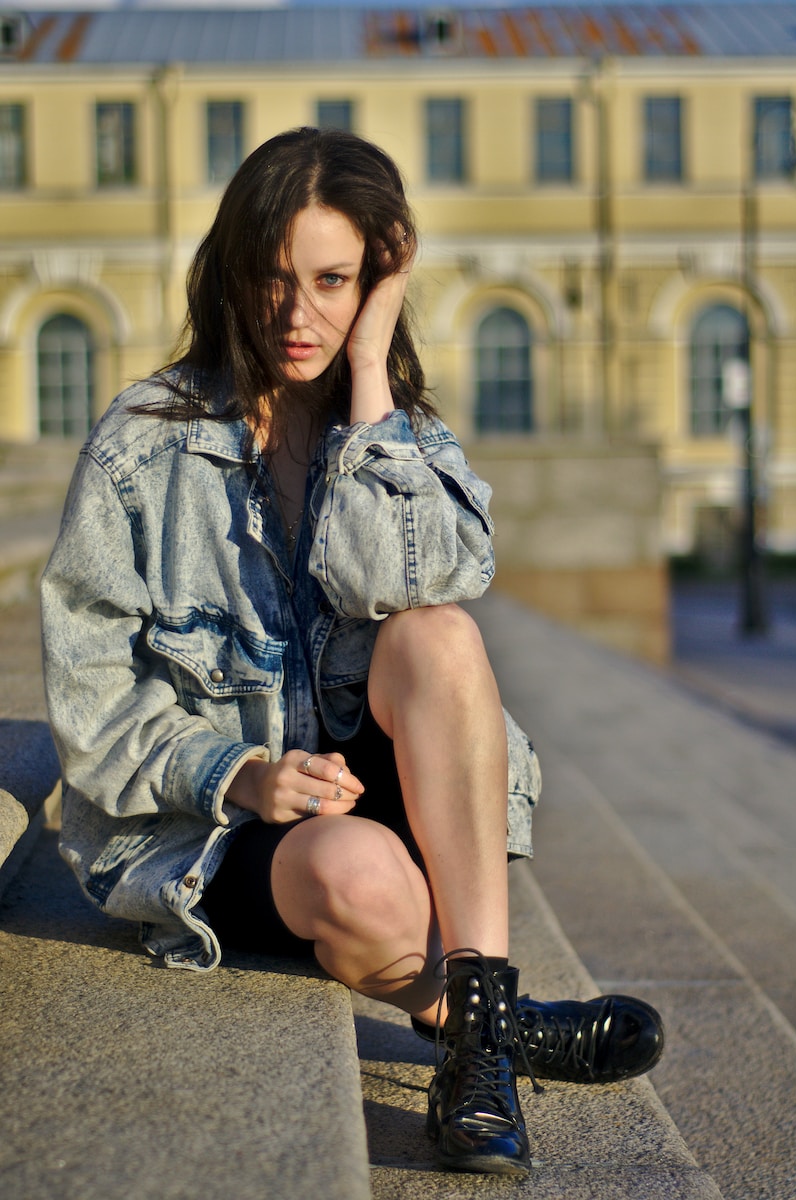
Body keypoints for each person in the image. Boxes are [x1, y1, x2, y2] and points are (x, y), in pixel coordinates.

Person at [41, 127, 663, 1177]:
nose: (298, 315)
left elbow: (419, 584)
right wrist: (235, 771)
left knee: (438, 633)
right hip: (211, 834)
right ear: (231, 273)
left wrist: (369, 369)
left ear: (376, 276)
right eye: (273, 279)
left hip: (364, 783)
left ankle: (471, 1048)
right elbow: (92, 693)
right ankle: (492, 1022)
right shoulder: (142, 443)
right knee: (360, 883)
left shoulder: (396, 434)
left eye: (333, 281)